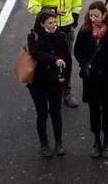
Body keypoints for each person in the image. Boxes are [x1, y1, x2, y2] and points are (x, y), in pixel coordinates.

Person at [28, 0, 83, 108]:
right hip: (47, 33)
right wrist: (52, 10)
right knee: (47, 61)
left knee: (66, 61)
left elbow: (77, 3)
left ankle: (66, 92)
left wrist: (74, 22)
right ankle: (47, 90)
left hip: (66, 30)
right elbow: (32, 7)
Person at [74, 1, 108, 159]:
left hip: (107, 77)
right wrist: (84, 63)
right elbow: (77, 50)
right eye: (91, 15)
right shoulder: (85, 30)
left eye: (96, 15)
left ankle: (106, 141)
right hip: (92, 79)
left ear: (104, 15)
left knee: (106, 111)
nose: (93, 18)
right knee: (94, 111)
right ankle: (96, 141)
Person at [27, 9, 70, 157]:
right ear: (41, 23)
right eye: (50, 23)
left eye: (54, 22)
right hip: (38, 82)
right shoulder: (34, 36)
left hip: (55, 81)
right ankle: (44, 144)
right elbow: (36, 53)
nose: (53, 25)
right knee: (42, 113)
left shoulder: (60, 35)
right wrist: (54, 59)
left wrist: (64, 77)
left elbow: (67, 58)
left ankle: (59, 143)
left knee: (56, 113)